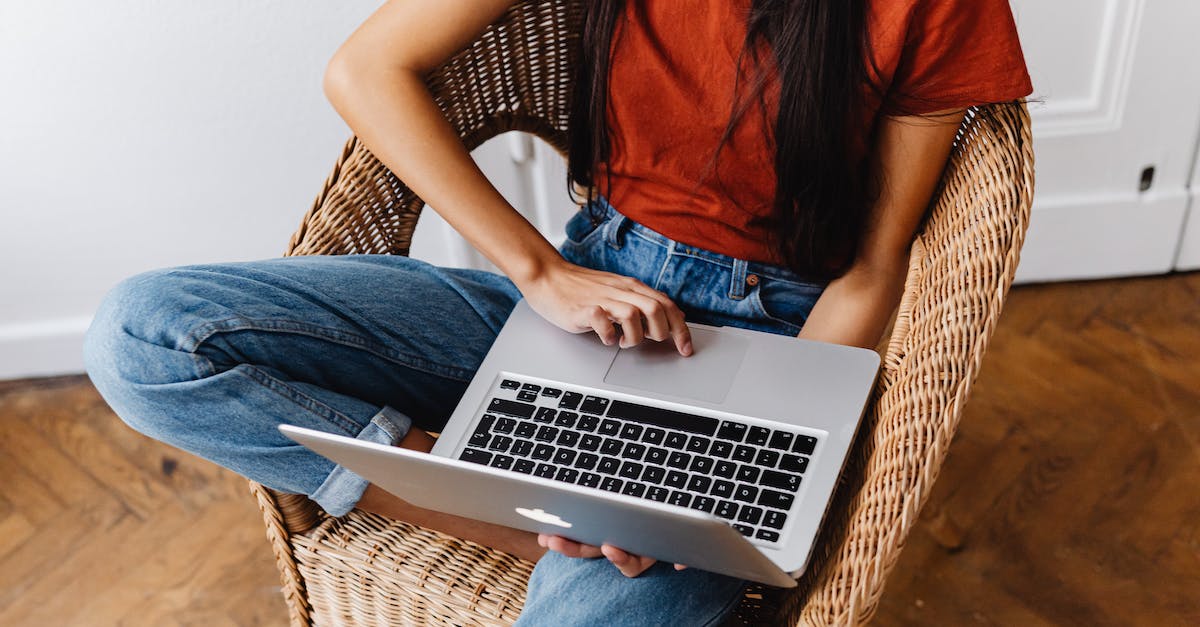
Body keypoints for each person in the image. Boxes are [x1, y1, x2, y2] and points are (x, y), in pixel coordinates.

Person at [84, 0, 1032, 624]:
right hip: (577, 290)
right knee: (142, 336)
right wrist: (539, 270)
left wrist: (732, 456)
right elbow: (365, 70)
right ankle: (506, 506)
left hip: (765, 337)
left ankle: (579, 509)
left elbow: (873, 267)